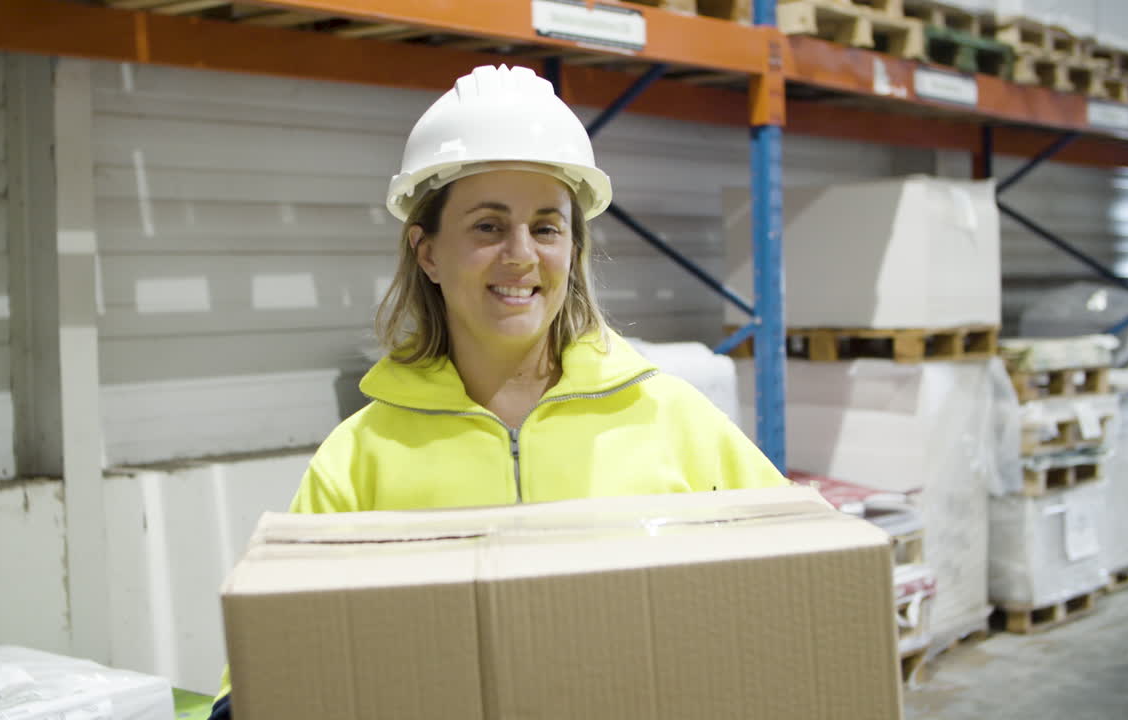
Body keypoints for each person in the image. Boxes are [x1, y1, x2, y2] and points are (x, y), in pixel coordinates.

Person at [209, 64, 786, 719]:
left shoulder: (673, 421)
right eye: (488, 226)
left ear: (573, 247)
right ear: (426, 252)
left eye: (546, 227)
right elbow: (266, 666)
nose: (521, 254)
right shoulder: (360, 458)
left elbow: (796, 588)